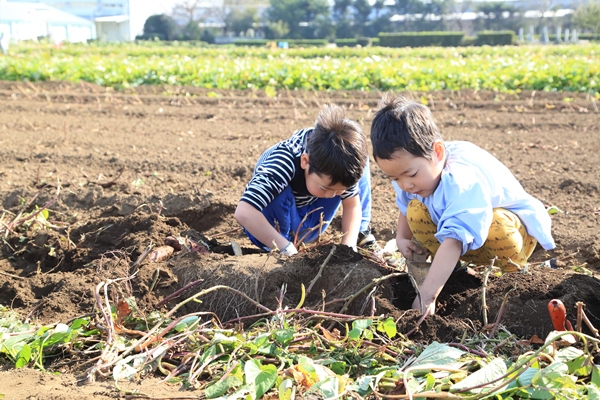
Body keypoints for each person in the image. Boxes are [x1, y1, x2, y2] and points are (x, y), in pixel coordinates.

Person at [369, 93, 555, 316]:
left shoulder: (462, 180)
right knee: (417, 212)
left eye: (410, 174)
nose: (405, 184)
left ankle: (516, 279)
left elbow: (455, 239)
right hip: (470, 236)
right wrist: (402, 238)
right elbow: (406, 204)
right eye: (395, 178)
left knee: (496, 227)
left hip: (516, 234)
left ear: (437, 152)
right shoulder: (412, 176)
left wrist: (427, 296)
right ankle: (452, 272)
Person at [235, 104, 380, 256]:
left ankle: (361, 234)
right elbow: (244, 211)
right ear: (305, 161)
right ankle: (280, 246)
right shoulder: (283, 161)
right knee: (277, 188)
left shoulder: (340, 166)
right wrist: (284, 247)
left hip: (311, 223)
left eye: (339, 191)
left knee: (358, 157)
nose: (333, 195)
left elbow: (352, 206)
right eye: (326, 188)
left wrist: (348, 249)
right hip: (271, 230)